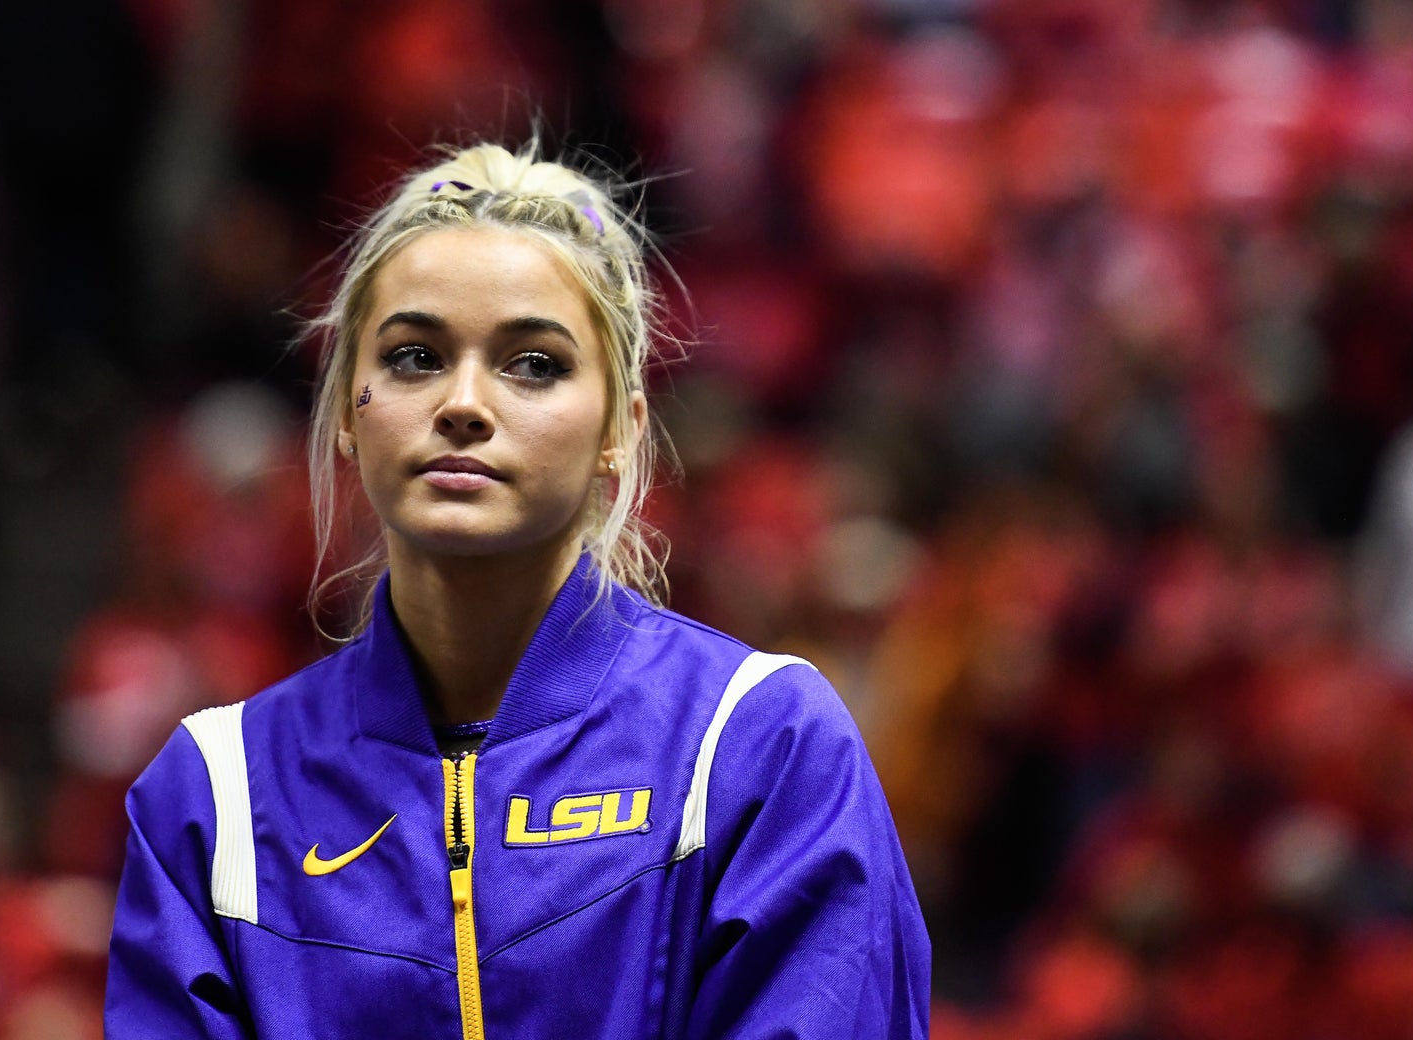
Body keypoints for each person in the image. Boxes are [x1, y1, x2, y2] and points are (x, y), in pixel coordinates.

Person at [103, 141, 931, 1038]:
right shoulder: (214, 796)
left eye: (533, 363)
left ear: (621, 427)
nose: (464, 402)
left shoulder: (758, 745)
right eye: (415, 356)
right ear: (347, 411)